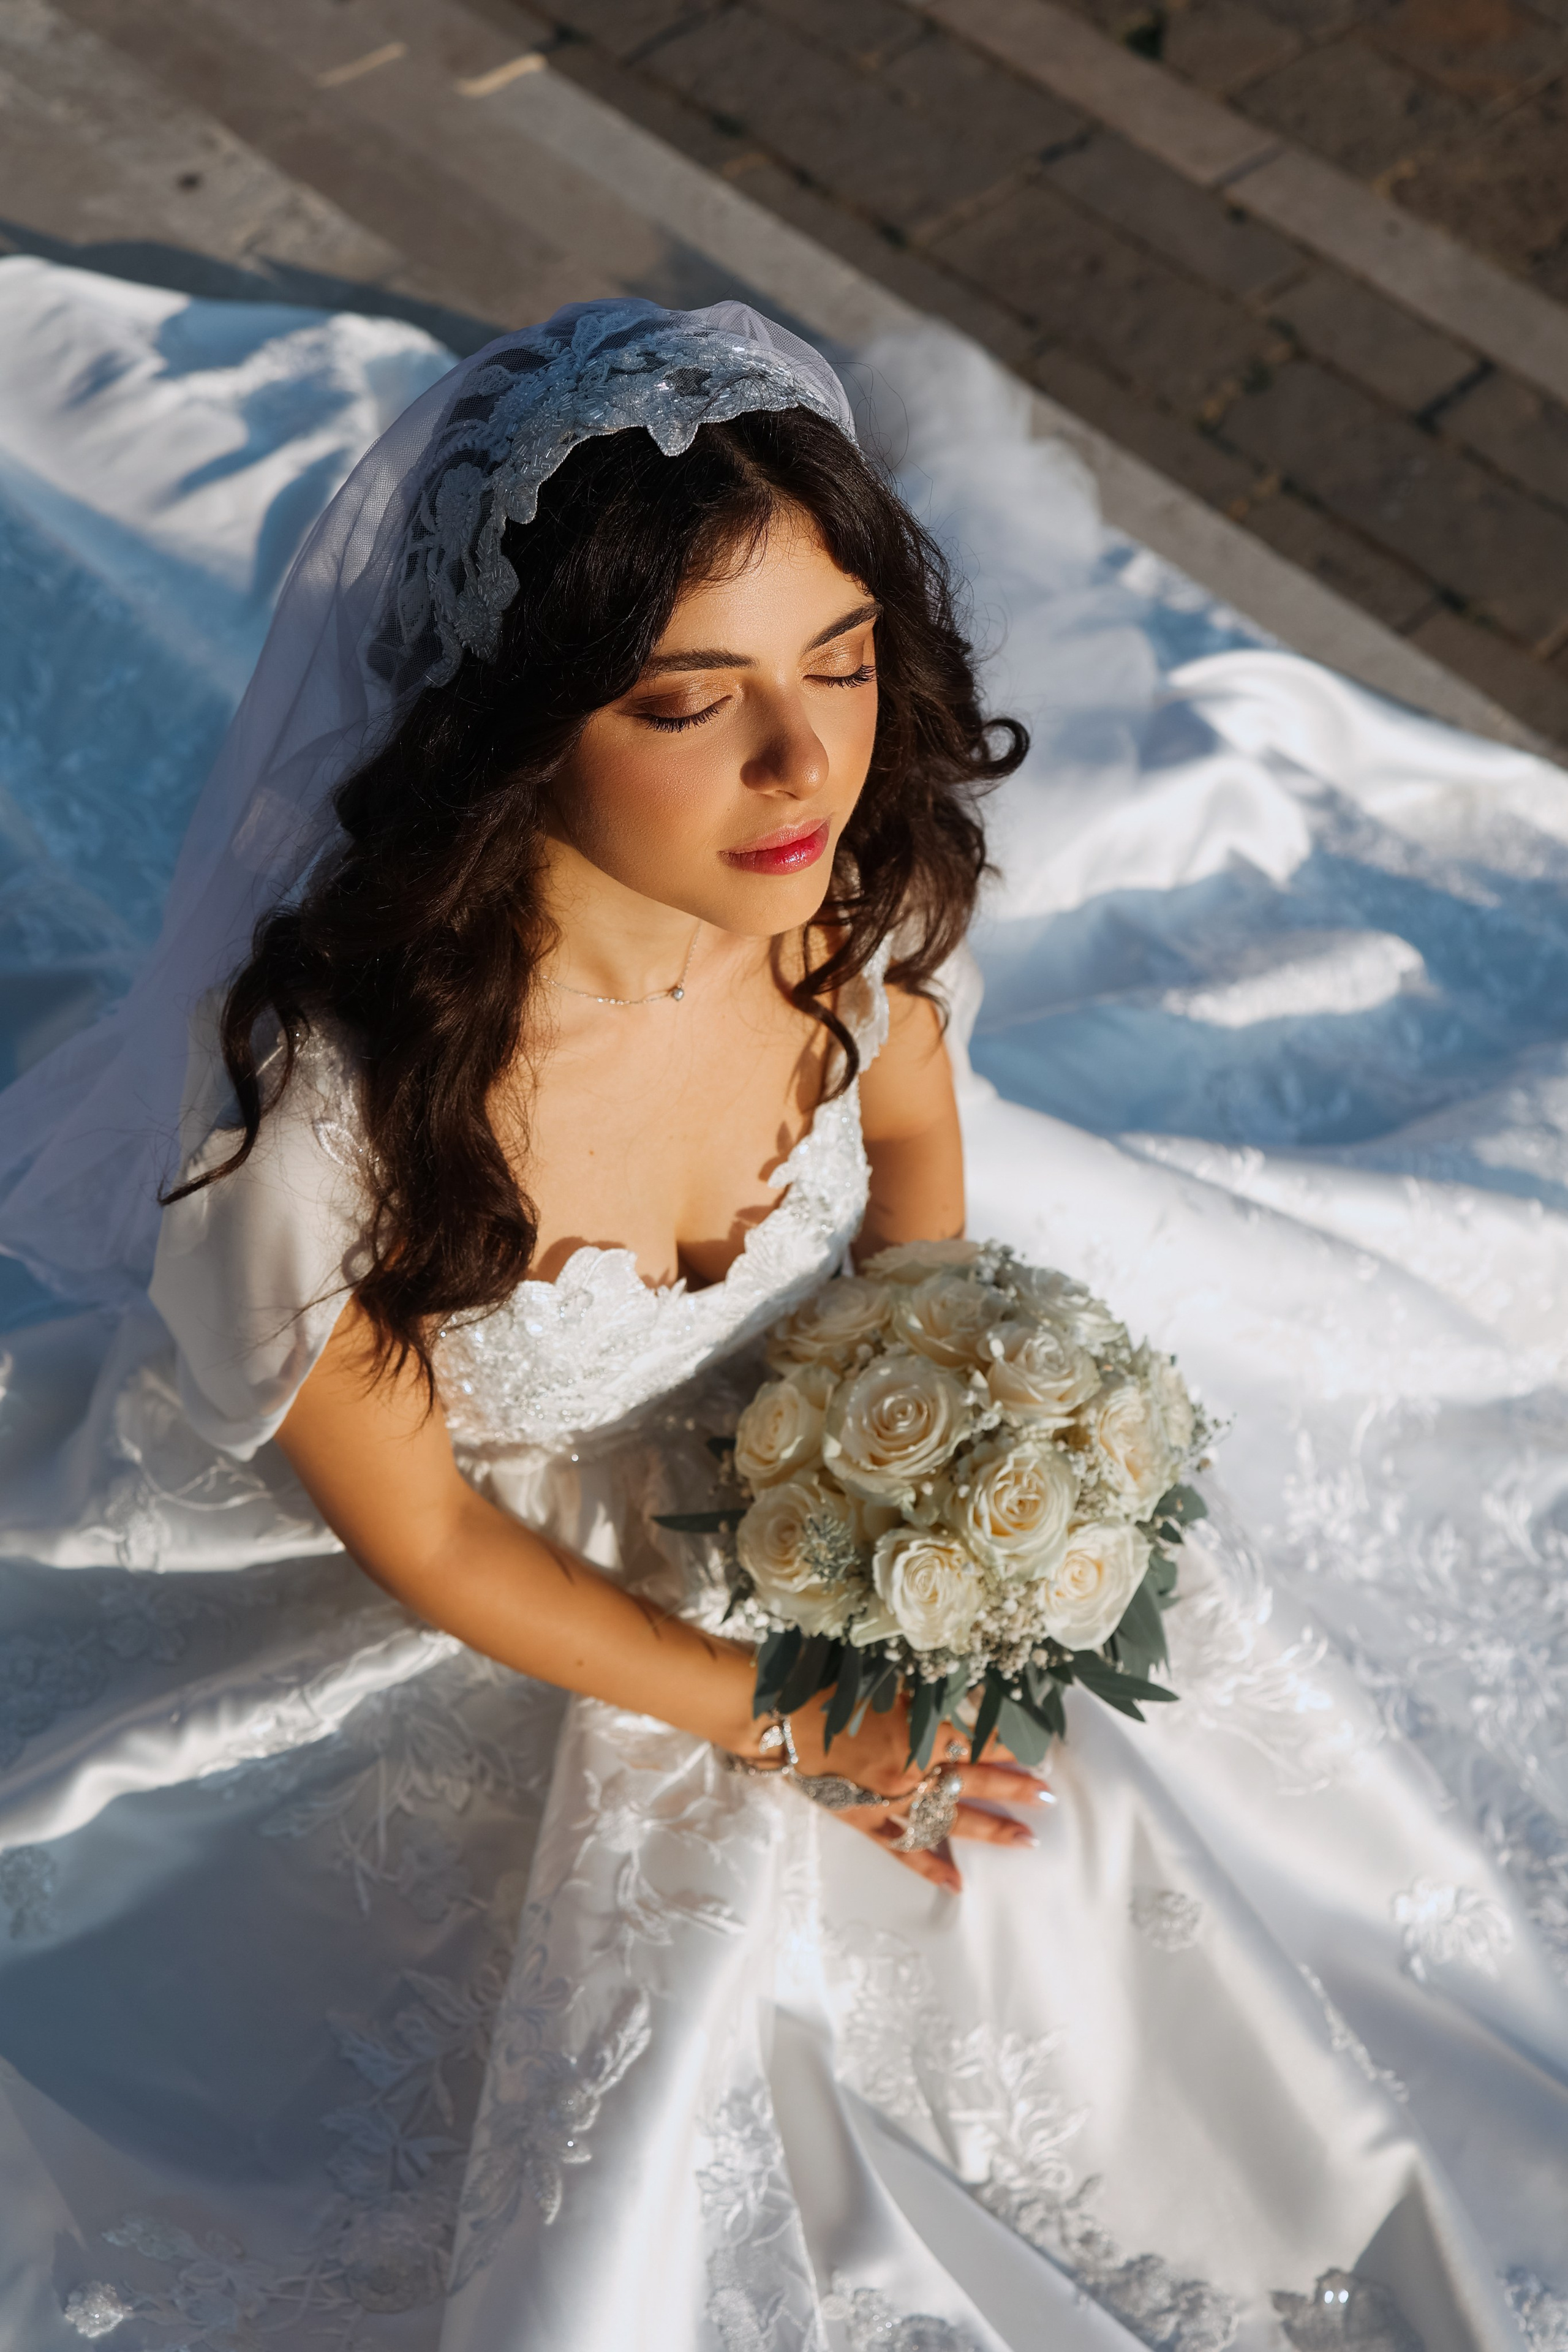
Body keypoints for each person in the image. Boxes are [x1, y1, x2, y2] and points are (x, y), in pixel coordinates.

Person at [0, 298, 1560, 2352]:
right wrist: (786, 1713)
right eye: (690, 702)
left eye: (842, 662)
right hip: (483, 1576)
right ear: (522, 722)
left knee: (1125, 1907)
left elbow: (907, 1125)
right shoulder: (332, 1129)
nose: (806, 761)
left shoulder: (837, 900)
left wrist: (920, 1380)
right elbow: (429, 1537)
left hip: (805, 1477)